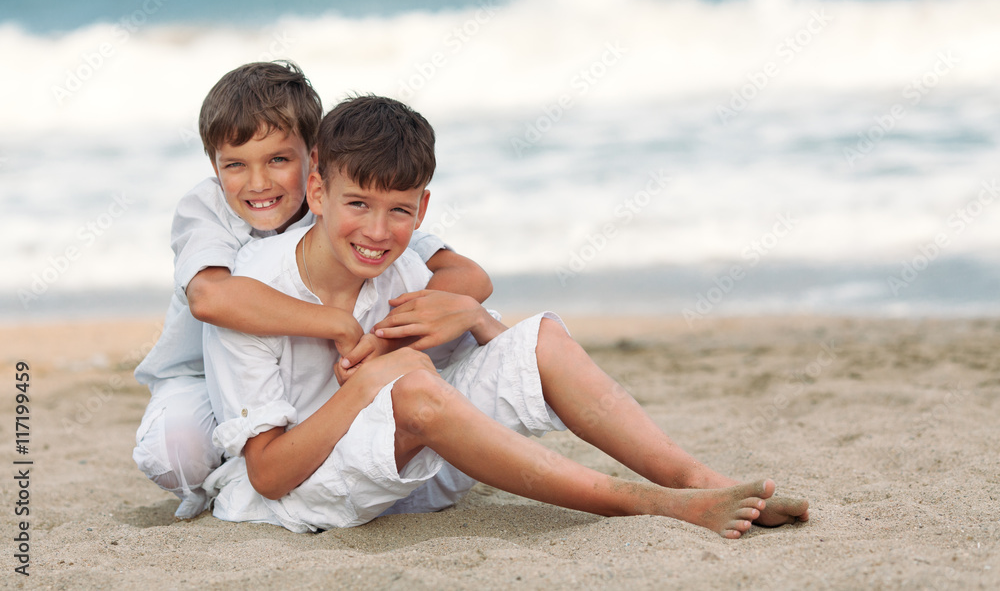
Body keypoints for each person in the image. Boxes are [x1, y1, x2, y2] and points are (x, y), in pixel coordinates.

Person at [202, 95, 809, 538]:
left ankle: (696, 479)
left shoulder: (407, 270)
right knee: (412, 387)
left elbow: (506, 360)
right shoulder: (255, 291)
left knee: (538, 333)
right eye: (357, 204)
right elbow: (268, 475)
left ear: (424, 207)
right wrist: (367, 382)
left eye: (399, 210)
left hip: (414, 480)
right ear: (316, 192)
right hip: (307, 496)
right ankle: (651, 504)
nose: (378, 231)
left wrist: (469, 314)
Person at [133, 63, 492, 519]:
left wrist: (386, 335)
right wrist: (337, 324)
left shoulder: (339, 203)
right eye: (236, 165)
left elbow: (467, 276)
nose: (259, 183)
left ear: (314, 158)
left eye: (279, 160)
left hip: (302, 377)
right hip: (202, 378)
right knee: (175, 453)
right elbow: (210, 297)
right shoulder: (206, 207)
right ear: (214, 166)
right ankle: (231, 474)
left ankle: (280, 456)